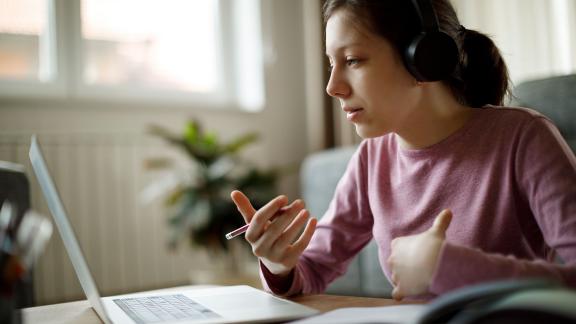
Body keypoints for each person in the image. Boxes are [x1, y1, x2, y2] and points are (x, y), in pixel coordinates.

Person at [230, 0, 576, 301]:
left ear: (424, 60)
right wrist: (280, 264)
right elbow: (313, 270)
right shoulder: (371, 159)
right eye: (331, 63)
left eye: (352, 60)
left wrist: (451, 267)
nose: (332, 87)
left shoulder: (523, 138)